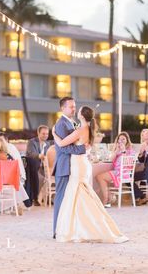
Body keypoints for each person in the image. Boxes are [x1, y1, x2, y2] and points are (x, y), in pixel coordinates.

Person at [52, 105, 128, 243]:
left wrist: (54, 134)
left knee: (78, 194)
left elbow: (62, 144)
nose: (76, 111)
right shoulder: (90, 129)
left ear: (81, 116)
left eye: (78, 110)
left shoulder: (80, 130)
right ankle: (84, 224)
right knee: (82, 194)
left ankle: (82, 227)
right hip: (83, 164)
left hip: (78, 165)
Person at [52, 97, 87, 238]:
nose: (74, 109)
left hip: (71, 166)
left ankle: (66, 228)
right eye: (71, 107)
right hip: (63, 166)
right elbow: (64, 148)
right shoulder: (61, 124)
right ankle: (56, 230)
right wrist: (82, 149)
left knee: (69, 199)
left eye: (74, 106)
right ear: (63, 108)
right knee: (61, 198)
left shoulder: (70, 123)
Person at [96, 132, 135, 207]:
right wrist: (116, 151)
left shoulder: (130, 151)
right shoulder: (118, 151)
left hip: (123, 174)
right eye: (119, 139)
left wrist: (124, 151)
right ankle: (108, 198)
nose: (121, 140)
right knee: (99, 177)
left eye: (123, 139)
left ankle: (106, 199)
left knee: (100, 177)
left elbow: (129, 163)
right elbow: (110, 159)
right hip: (117, 172)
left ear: (127, 140)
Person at [25, 125, 51, 207]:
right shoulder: (32, 142)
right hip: (33, 166)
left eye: (47, 134)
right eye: (43, 134)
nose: (45, 136)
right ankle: (36, 198)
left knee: (51, 175)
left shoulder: (48, 144)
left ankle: (48, 198)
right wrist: (40, 156)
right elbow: (31, 153)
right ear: (38, 133)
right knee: (40, 177)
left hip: (44, 167)